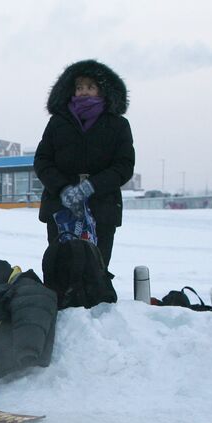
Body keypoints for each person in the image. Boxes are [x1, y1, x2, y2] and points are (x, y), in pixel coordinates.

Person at [34, 60, 135, 268]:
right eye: (79, 87)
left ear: (102, 90)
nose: (83, 92)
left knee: (96, 269)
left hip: (102, 207)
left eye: (90, 87)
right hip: (60, 208)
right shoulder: (57, 122)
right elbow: (42, 161)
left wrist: (91, 187)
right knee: (60, 269)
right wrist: (63, 188)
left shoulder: (118, 125)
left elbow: (124, 166)